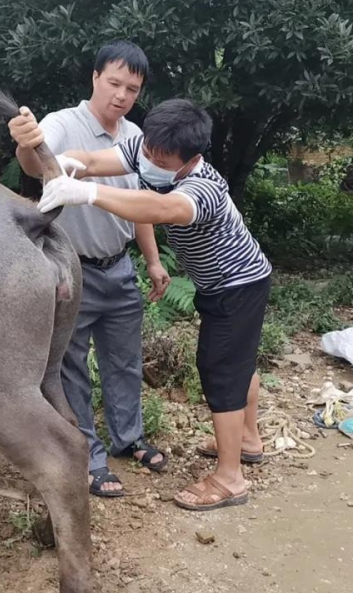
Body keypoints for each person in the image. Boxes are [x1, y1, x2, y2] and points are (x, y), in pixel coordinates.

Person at [33, 98, 273, 511]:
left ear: (190, 158)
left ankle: (230, 478)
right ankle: (246, 438)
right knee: (238, 362)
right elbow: (91, 158)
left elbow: (161, 208)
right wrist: (66, 164)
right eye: (147, 150)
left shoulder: (204, 188)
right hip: (220, 284)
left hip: (238, 285)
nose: (148, 160)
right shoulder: (147, 149)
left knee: (221, 371)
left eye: (160, 157)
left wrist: (88, 193)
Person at [8, 40, 171, 498]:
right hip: (70, 271)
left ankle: (130, 438)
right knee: (72, 367)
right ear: (95, 77)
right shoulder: (63, 123)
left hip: (119, 269)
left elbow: (140, 207)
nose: (121, 95)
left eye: (132, 89)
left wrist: (154, 261)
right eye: (114, 83)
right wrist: (27, 142)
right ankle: (90, 457)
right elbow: (38, 161)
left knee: (124, 361)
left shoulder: (135, 137)